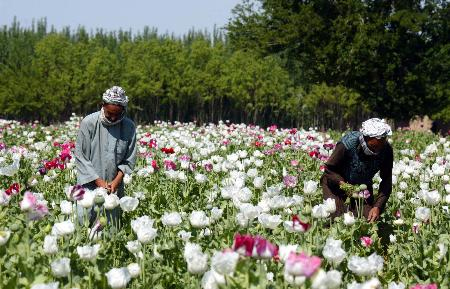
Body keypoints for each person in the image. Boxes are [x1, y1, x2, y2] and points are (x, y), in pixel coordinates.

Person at [75, 86, 137, 225]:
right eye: (109, 113)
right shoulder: (89, 123)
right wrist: (99, 182)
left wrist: (115, 182)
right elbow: (81, 157)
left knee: (109, 227)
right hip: (88, 184)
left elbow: (129, 159)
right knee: (83, 221)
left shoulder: (129, 127)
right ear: (102, 106)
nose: (113, 118)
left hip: (113, 187)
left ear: (124, 110)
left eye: (118, 114)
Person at [321, 118, 393, 222]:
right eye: (373, 147)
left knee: (368, 219)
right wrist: (345, 186)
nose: (377, 151)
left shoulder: (386, 150)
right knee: (335, 218)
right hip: (335, 185)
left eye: (380, 147)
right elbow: (329, 169)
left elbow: (387, 180)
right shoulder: (347, 144)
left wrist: (377, 206)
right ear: (365, 138)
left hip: (361, 188)